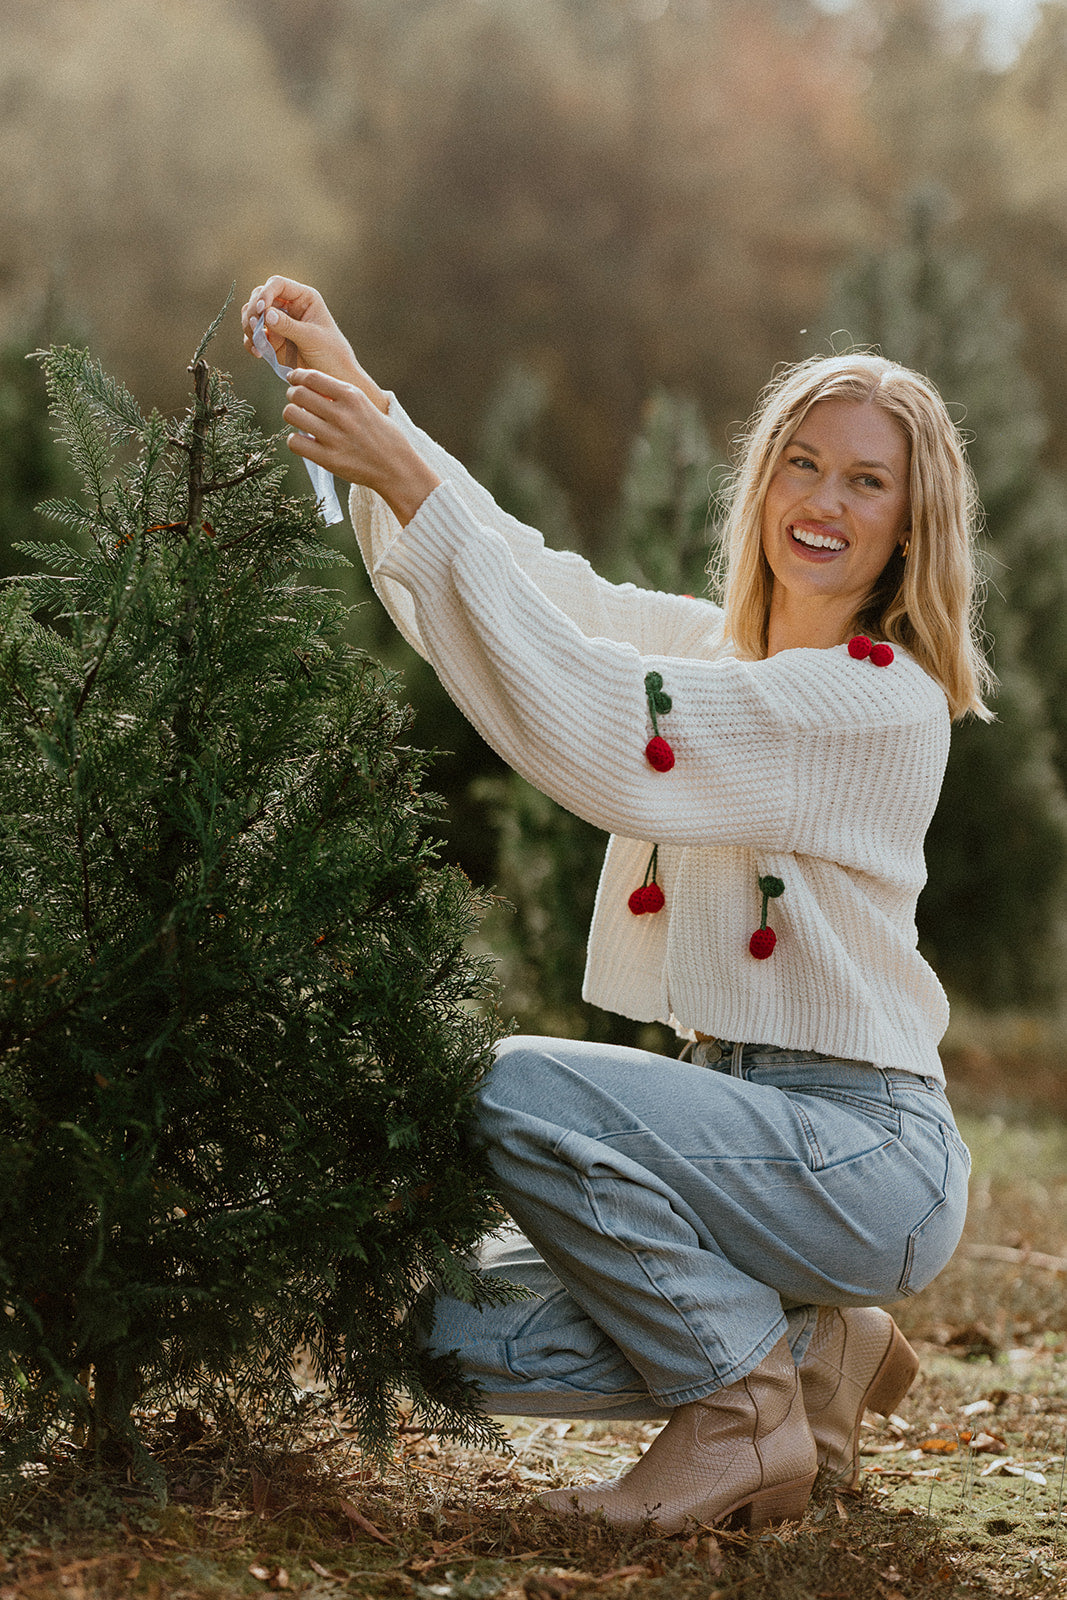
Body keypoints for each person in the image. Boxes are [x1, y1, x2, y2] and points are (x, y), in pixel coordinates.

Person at [242, 276, 985, 1535]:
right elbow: (540, 590)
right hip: (737, 1136)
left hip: (861, 1153)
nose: (821, 499)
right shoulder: (722, 657)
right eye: (800, 464)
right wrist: (371, 413)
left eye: (866, 480)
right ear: (762, 485)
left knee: (512, 1085)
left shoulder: (875, 701)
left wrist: (405, 477)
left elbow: (603, 720)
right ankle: (816, 1348)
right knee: (423, 1319)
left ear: (911, 524)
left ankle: (741, 1416)